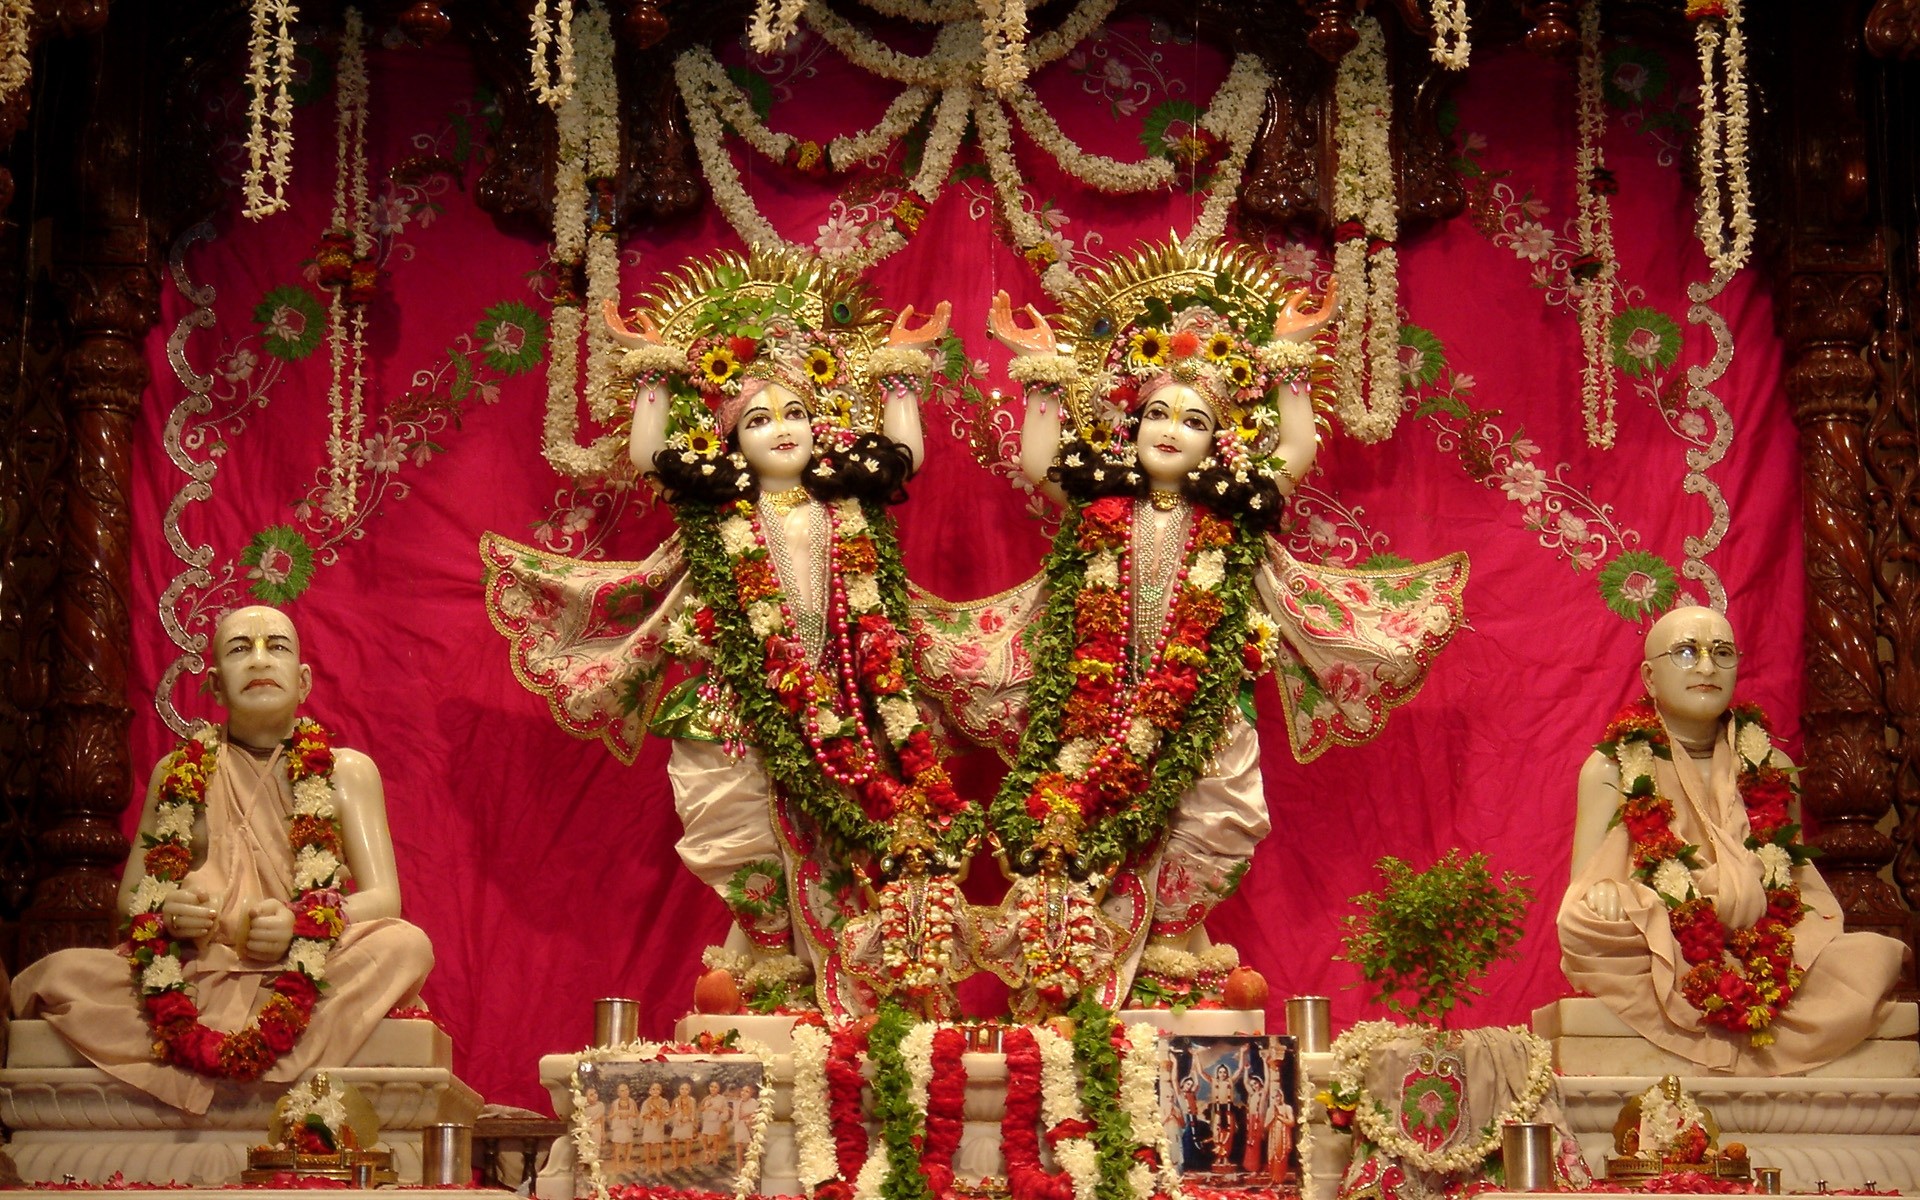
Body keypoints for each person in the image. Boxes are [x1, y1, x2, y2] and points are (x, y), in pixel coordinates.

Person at [971, 240, 1469, 1013]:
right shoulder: (1102, 506)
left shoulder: (1229, 517)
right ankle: (1084, 964)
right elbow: (1042, 459)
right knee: (1076, 824)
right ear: (1128, 426)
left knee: (1220, 821)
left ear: (1220, 443)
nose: (1172, 428)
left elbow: (1297, 447)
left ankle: (1173, 954)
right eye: (1157, 413)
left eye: (1195, 420)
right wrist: (1040, 369)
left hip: (1205, 709)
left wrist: (1295, 358)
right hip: (1093, 709)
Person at [481, 250, 973, 1017]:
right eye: (757, 418)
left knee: (854, 837)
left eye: (796, 412)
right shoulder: (720, 519)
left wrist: (900, 374)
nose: (781, 429)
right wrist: (652, 371)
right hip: (736, 707)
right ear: (727, 440)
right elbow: (652, 457)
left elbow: (902, 455)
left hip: (853, 699)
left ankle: (841, 978)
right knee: (738, 834)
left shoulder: (845, 511)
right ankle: (768, 964)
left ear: (826, 424)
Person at [10, 605, 432, 1116]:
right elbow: (132, 904)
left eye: (276, 646)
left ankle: (251, 1051)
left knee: (406, 944)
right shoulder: (179, 771)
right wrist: (171, 915)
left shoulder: (348, 772)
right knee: (65, 973)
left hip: (304, 971)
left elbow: (385, 899)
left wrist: (300, 925)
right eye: (239, 649)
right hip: (201, 964)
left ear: (303, 681)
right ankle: (245, 1055)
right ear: (212, 685)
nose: (258, 661)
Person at [1559, 605, 1906, 1074]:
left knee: (1863, 958)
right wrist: (1603, 892)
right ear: (1649, 675)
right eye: (1686, 652)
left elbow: (1793, 887)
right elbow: (1583, 886)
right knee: (1592, 926)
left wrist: (1756, 903)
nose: (1706, 667)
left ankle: (1760, 995)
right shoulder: (1612, 768)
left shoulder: (1773, 766)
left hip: (1761, 934)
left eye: (1721, 653)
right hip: (1662, 932)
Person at [638, 1080, 670, 1175]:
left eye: (657, 1089)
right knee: (647, 1146)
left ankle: (658, 1168)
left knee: (658, 1147)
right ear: (649, 1091)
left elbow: (665, 1114)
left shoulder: (664, 1101)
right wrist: (650, 1113)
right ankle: (648, 1168)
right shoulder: (646, 1102)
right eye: (653, 1089)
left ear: (660, 1091)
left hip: (658, 1126)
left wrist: (656, 1109)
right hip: (649, 1125)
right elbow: (643, 1115)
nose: (655, 1091)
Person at [607, 1081, 640, 1173]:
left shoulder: (632, 1102)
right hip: (618, 1126)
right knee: (617, 1145)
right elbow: (610, 1116)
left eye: (626, 1090)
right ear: (618, 1093)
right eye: (622, 1091)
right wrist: (616, 1113)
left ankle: (626, 1164)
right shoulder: (615, 1103)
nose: (624, 1092)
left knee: (628, 1144)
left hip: (628, 1125)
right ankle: (617, 1166)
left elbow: (637, 1114)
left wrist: (631, 1114)